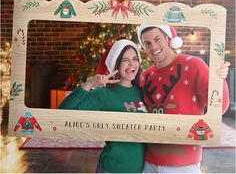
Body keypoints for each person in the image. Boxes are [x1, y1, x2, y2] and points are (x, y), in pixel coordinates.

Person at [137, 25, 230, 173]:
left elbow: (221, 107)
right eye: (147, 43)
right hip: (150, 162)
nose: (153, 47)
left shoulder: (194, 65)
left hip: (184, 163)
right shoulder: (145, 76)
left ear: (168, 39)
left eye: (157, 39)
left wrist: (219, 80)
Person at [58, 39, 146, 173]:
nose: (132, 63)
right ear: (116, 64)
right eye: (125, 60)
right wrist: (90, 83)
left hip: (143, 169)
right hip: (112, 168)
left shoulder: (144, 92)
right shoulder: (104, 94)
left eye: (135, 59)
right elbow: (62, 113)